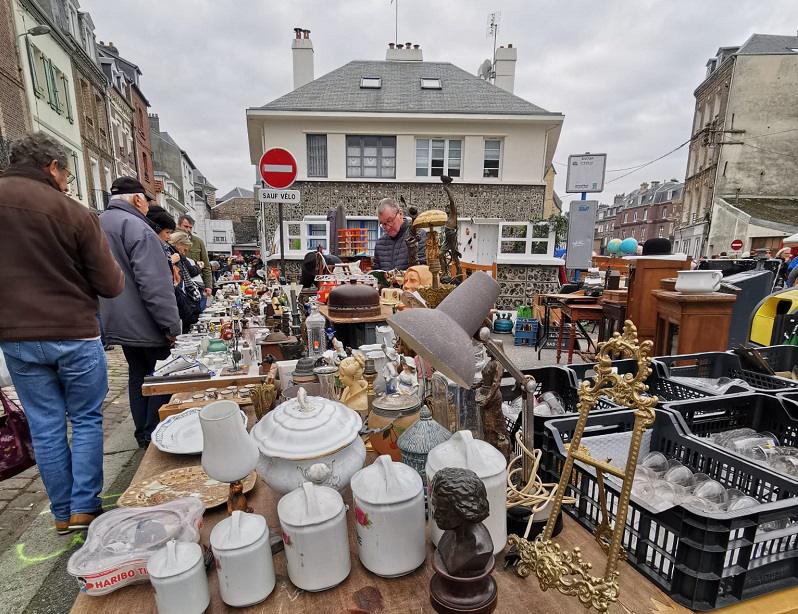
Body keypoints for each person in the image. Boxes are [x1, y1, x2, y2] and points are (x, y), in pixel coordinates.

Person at [0, 132, 124, 534]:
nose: (69, 183)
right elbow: (110, 284)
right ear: (52, 167)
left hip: (16, 334)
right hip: (73, 330)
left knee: (45, 422)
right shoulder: (71, 212)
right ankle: (84, 507)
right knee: (86, 418)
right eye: (67, 174)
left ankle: (61, 512)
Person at [99, 176, 181, 448]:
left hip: (116, 318)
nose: (147, 206)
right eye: (146, 201)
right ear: (137, 199)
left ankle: (142, 432)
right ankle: (155, 434)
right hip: (145, 320)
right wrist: (171, 326)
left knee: (138, 375)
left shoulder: (98, 223)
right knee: (160, 375)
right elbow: (154, 284)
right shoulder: (137, 227)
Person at [372, 198, 426, 271]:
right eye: (383, 224)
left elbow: (423, 271)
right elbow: (376, 275)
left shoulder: (419, 236)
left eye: (389, 221)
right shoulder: (379, 244)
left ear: (400, 213)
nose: (387, 227)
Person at [168, 230, 203, 332]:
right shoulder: (173, 256)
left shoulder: (180, 256)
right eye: (185, 249)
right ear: (179, 243)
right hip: (178, 298)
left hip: (183, 297)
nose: (185, 252)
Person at [177, 214, 212, 307]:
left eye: (190, 227)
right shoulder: (173, 240)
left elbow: (206, 266)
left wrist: (208, 285)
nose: (188, 229)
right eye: (185, 226)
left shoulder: (198, 241)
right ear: (179, 225)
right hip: (182, 284)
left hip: (197, 284)